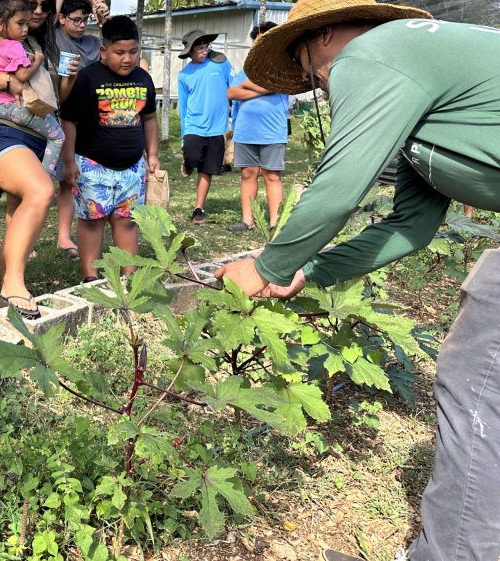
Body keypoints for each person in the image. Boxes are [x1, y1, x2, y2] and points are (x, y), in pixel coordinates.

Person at [211, 1, 500, 559]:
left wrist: (268, 267)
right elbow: (411, 228)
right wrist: (307, 271)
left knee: (480, 382)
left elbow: (340, 185)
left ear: (322, 37)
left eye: (305, 66)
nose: (316, 83)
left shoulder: (374, 52)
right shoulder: (423, 77)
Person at [0, 5, 67, 319]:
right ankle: (13, 284)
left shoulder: (38, 43)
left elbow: (53, 94)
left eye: (43, 6)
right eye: (29, 6)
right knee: (40, 190)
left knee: (17, 213)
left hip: (37, 133)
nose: (37, 10)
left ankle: (6, 297)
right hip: (3, 130)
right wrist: (8, 82)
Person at [59, 15, 158, 282]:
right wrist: (69, 161)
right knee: (93, 220)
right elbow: (70, 121)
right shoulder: (87, 78)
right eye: (120, 52)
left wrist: (153, 155)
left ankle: (130, 275)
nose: (127, 59)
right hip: (92, 164)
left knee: (127, 220)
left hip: (132, 167)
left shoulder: (143, 79)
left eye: (133, 52)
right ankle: (91, 276)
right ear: (104, 51)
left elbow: (149, 119)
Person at [0, 0, 65, 178]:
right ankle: (46, 176)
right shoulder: (15, 46)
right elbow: (23, 75)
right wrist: (37, 62)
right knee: (58, 137)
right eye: (21, 23)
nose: (25, 28)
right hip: (16, 110)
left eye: (46, 7)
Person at [225, 21, 289, 233]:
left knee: (272, 175)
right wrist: (264, 90)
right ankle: (248, 221)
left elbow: (278, 84)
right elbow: (232, 93)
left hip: (272, 132)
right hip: (246, 131)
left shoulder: (283, 65)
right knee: (248, 174)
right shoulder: (247, 68)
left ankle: (274, 223)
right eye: (257, 40)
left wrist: (250, 87)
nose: (259, 44)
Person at [52, 0, 99, 257]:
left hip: (90, 118)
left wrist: (103, 19)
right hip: (60, 116)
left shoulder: (93, 43)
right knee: (54, 179)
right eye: (76, 20)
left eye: (85, 20)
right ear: (61, 18)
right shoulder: (54, 37)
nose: (81, 25)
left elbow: (119, 41)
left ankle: (64, 236)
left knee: (71, 180)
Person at [177, 28, 233, 225]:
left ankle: (198, 208)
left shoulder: (221, 64)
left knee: (206, 169)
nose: (203, 52)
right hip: (194, 125)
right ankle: (187, 162)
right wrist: (184, 134)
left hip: (217, 128)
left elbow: (233, 88)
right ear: (190, 52)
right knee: (192, 157)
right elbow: (183, 107)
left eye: (205, 47)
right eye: (199, 49)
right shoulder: (184, 74)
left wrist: (234, 115)